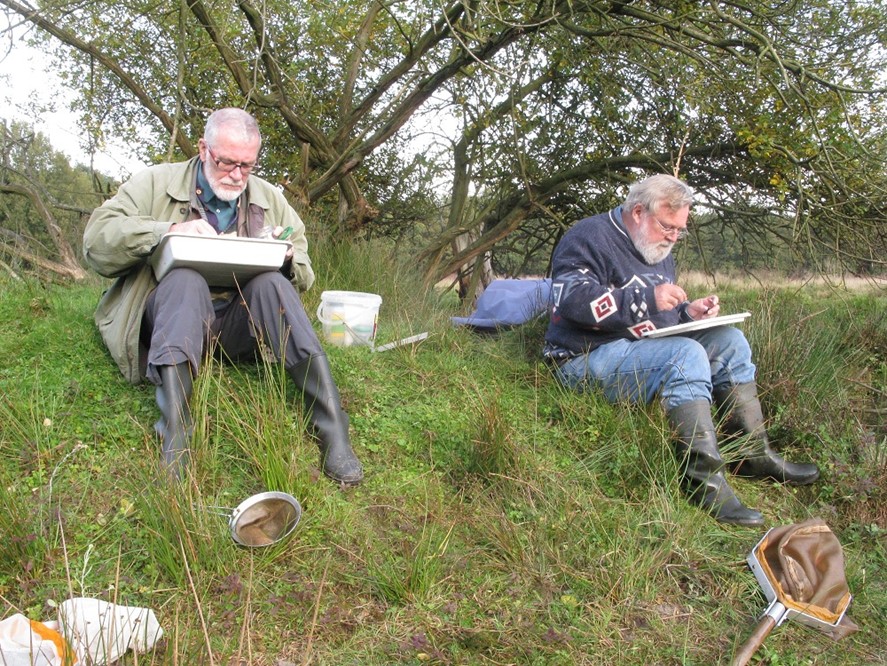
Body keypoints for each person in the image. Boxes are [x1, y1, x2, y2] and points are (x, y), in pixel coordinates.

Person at [82, 108, 363, 485]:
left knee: (272, 285)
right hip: (171, 318)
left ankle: (333, 430)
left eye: (246, 166)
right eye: (227, 162)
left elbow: (305, 271)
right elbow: (97, 241)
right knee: (185, 280)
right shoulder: (153, 182)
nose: (236, 175)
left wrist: (287, 260)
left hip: (235, 327)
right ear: (203, 148)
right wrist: (169, 231)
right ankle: (175, 437)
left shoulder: (269, 197)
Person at [543, 174, 818, 525]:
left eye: (680, 231)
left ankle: (751, 454)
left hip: (638, 348)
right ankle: (702, 482)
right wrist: (646, 299)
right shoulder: (587, 236)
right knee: (684, 355)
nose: (673, 238)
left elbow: (656, 316)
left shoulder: (655, 248)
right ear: (639, 211)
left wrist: (687, 313)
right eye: (667, 227)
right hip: (580, 358)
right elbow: (570, 301)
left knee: (730, 341)